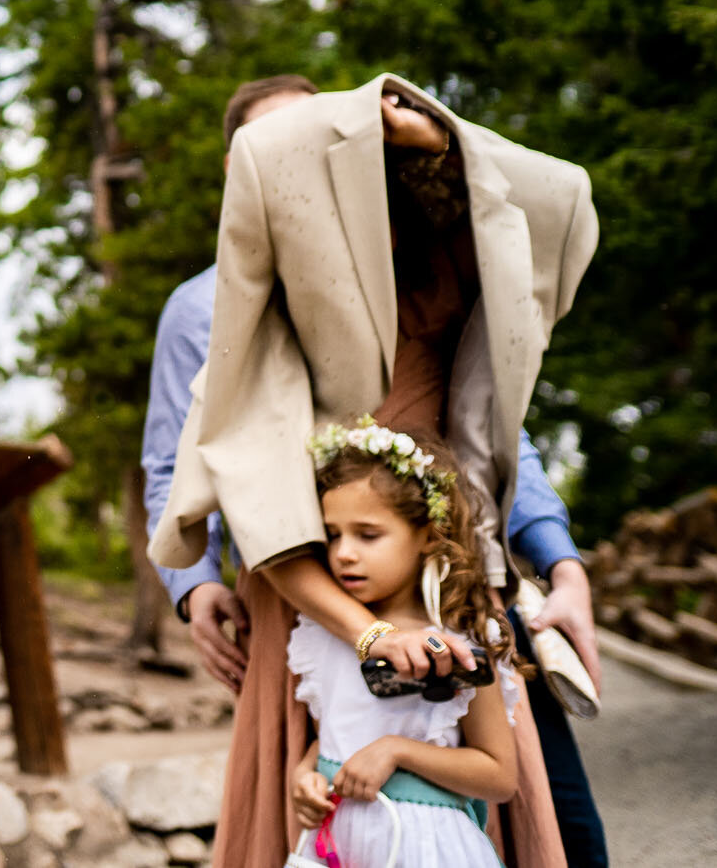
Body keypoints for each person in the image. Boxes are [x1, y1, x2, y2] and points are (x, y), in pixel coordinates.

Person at [140, 78, 607, 866]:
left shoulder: (425, 262)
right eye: (278, 145)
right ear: (239, 168)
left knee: (553, 805)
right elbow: (193, 459)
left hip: (452, 565)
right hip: (308, 582)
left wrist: (559, 556)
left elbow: (490, 421)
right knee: (326, 796)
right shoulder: (217, 304)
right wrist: (195, 587)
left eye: (324, 137)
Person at [287, 420, 521, 868]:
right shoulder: (328, 632)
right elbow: (337, 732)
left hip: (423, 847)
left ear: (428, 534)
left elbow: (500, 775)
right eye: (333, 535)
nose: (344, 553)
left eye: (367, 534)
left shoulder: (461, 637)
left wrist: (396, 750)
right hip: (339, 842)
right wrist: (306, 775)